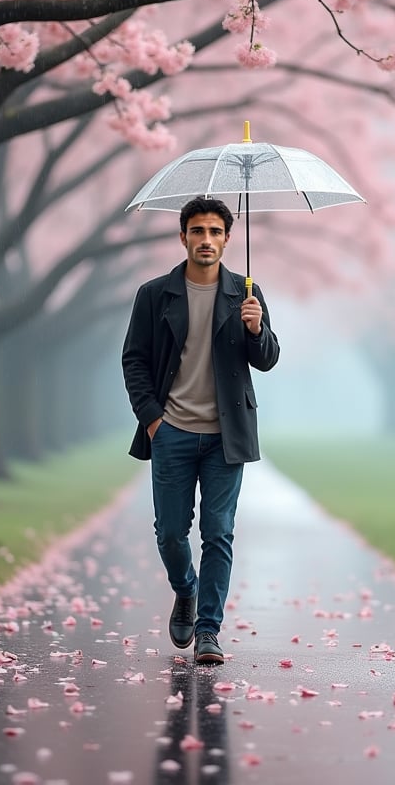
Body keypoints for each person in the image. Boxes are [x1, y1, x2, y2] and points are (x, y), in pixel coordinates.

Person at [122, 195, 280, 665]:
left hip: (224, 438)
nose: (206, 240)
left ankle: (208, 630)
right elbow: (134, 359)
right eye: (198, 231)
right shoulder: (154, 294)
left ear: (228, 239)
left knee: (219, 533)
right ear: (183, 237)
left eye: (215, 232)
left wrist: (257, 330)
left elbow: (267, 359)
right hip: (170, 431)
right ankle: (185, 589)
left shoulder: (247, 292)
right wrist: (153, 418)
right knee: (170, 533)